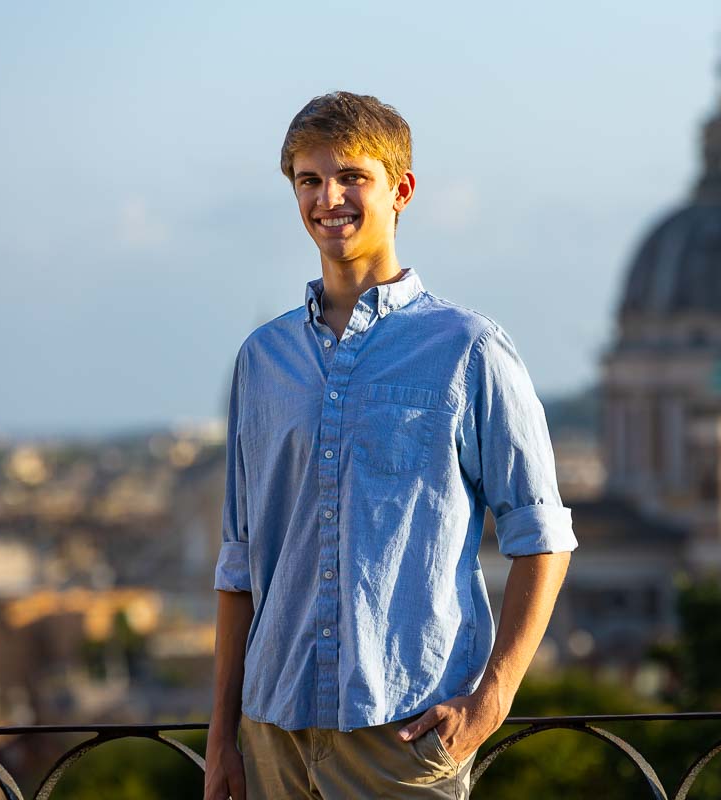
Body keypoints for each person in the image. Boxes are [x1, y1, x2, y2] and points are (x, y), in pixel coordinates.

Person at [203, 91, 578, 799]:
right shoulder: (262, 360)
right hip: (271, 729)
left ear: (401, 190)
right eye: (309, 181)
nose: (328, 198)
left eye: (351, 177)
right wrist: (222, 742)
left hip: (403, 731)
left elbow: (543, 535)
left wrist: (494, 697)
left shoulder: (468, 349)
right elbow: (239, 562)